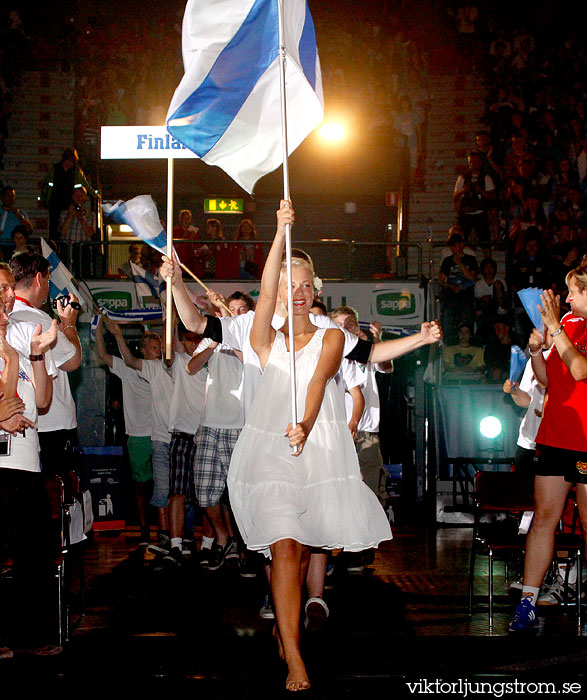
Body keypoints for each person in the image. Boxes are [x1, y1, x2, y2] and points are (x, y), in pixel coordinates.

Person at [227, 200, 392, 691]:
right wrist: (280, 233)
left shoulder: (332, 337)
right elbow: (263, 286)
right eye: (288, 285)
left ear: (314, 289)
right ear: (279, 291)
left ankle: (286, 627)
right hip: (269, 450)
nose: (296, 293)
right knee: (282, 546)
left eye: (304, 286)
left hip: (314, 445)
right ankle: (294, 657)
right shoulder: (263, 338)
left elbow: (320, 383)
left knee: (300, 553)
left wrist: (304, 422)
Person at [509, 263, 587, 631]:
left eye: (575, 291)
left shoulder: (567, 327)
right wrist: (536, 349)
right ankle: (528, 601)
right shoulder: (567, 324)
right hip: (555, 437)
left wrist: (555, 330)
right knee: (543, 519)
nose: (568, 298)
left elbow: (579, 370)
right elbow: (546, 379)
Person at [0, 262, 59, 655]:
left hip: (27, 460)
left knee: (33, 554)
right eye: (0, 287)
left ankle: (30, 637)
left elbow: (42, 401)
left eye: (8, 287)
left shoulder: (21, 336)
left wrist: (37, 356)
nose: (7, 294)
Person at [9, 253, 82, 485]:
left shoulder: (8, 318)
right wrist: (69, 324)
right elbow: (73, 361)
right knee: (56, 498)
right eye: (49, 281)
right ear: (39, 279)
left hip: (19, 421)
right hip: (52, 424)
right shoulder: (36, 320)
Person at [95, 314, 154, 546]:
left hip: (161, 436)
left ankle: (167, 533)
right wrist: (98, 327)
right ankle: (144, 530)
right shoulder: (129, 370)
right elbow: (103, 354)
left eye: (160, 347)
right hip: (138, 437)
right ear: (143, 349)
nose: (158, 351)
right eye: (153, 347)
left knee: (164, 488)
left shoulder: (165, 369)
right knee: (141, 489)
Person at [40, 148, 94, 241]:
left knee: (67, 222)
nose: (70, 164)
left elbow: (85, 184)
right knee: (54, 225)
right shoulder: (55, 169)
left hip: (68, 201)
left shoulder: (76, 170)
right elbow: (46, 185)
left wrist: (93, 194)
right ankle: (54, 245)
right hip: (55, 201)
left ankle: (64, 244)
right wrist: (44, 199)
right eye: (68, 161)